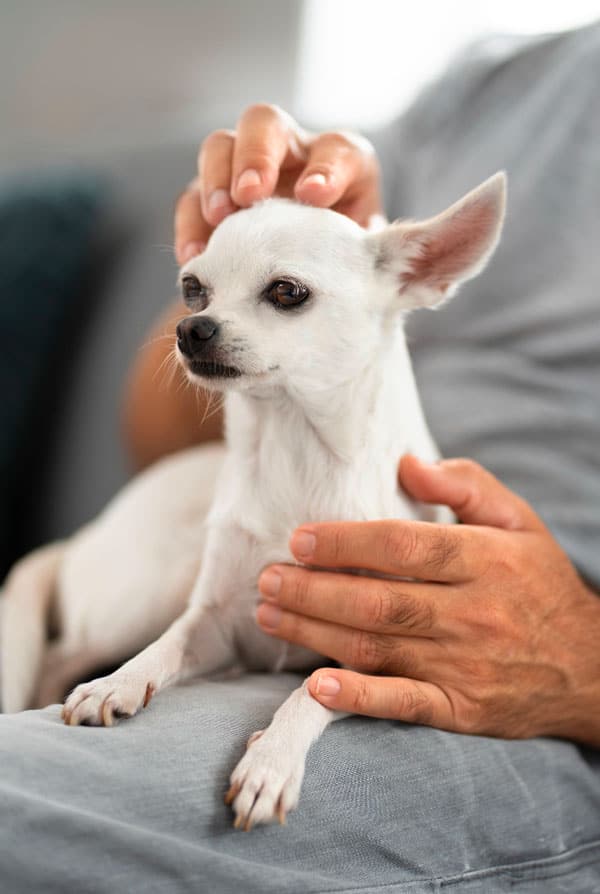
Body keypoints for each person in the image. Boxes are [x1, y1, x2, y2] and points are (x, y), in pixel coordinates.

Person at [1, 22, 599, 894]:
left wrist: (582, 660)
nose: (197, 315)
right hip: (265, 536)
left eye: (287, 293)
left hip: (529, 715)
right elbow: (170, 423)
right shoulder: (480, 87)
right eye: (192, 292)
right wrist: (242, 251)